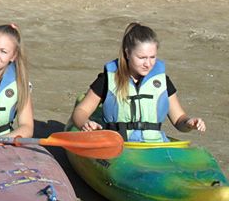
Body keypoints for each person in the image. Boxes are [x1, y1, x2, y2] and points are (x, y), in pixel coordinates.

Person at [71, 22, 206, 141]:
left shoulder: (162, 81)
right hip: (117, 145)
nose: (148, 64)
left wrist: (189, 123)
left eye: (152, 57)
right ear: (127, 53)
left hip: (152, 147)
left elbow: (179, 120)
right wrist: (86, 123)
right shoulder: (108, 79)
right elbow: (80, 111)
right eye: (142, 57)